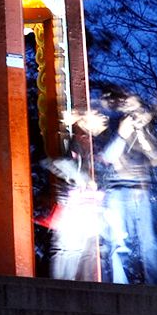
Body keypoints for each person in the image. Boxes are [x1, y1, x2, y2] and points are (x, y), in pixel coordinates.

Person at [101, 91, 157, 284]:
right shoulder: (112, 125)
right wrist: (122, 135)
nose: (133, 112)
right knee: (119, 241)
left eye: (137, 107)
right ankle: (120, 284)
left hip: (142, 189)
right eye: (128, 106)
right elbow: (107, 156)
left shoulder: (147, 130)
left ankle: (156, 286)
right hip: (117, 189)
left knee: (149, 241)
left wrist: (142, 134)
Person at [44, 107, 108, 281]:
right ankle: (62, 285)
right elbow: (59, 162)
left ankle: (70, 285)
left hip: (85, 203)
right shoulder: (74, 139)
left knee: (78, 250)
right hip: (73, 202)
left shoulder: (91, 144)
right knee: (67, 249)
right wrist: (83, 179)